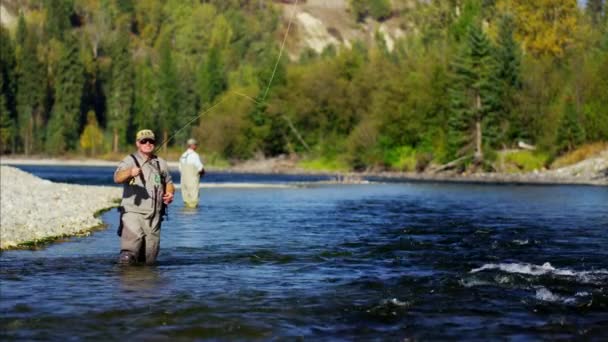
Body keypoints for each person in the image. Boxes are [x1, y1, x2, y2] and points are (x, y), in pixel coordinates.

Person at [114, 129, 175, 265]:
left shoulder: (161, 163)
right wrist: (130, 172)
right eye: (144, 141)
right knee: (128, 257)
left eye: (151, 141)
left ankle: (147, 284)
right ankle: (127, 285)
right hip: (132, 214)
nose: (148, 143)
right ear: (138, 143)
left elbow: (169, 183)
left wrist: (170, 194)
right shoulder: (130, 160)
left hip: (155, 217)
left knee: (149, 260)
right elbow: (117, 177)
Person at [179, 138, 205, 208]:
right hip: (193, 181)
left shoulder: (183, 155)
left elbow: (180, 169)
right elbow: (200, 168)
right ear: (192, 145)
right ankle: (194, 216)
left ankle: (187, 213)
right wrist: (202, 173)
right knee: (194, 201)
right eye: (196, 145)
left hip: (183, 181)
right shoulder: (195, 155)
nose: (196, 146)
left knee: (186, 201)